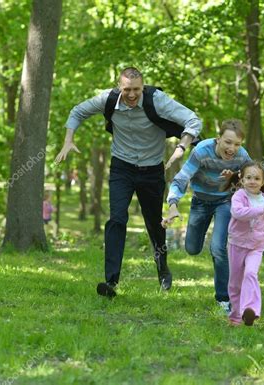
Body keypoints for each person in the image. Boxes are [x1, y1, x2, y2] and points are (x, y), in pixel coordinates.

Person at [55, 67, 202, 297]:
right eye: (126, 90)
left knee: (154, 223)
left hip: (152, 169)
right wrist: (68, 140)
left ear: (143, 87)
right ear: (118, 86)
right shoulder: (108, 99)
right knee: (117, 218)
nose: (132, 94)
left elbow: (193, 119)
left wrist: (182, 147)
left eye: (136, 89)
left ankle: (163, 269)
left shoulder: (157, 100)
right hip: (122, 167)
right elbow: (78, 111)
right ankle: (111, 282)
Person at [162, 119, 251, 314]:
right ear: (218, 139)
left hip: (225, 202)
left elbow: (252, 180)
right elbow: (181, 179)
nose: (232, 148)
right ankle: (225, 297)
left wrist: (235, 179)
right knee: (192, 249)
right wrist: (173, 205)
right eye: (228, 142)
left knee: (218, 248)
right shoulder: (202, 151)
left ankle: (224, 299)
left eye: (237, 144)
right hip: (200, 201)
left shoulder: (242, 156)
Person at [225, 162, 264, 326]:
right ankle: (235, 316)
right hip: (237, 244)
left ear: (263, 181)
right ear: (242, 179)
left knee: (251, 274)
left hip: (256, 246)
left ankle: (251, 311)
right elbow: (238, 213)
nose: (253, 181)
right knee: (235, 282)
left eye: (257, 178)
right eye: (249, 177)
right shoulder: (239, 196)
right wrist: (260, 210)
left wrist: (259, 234)